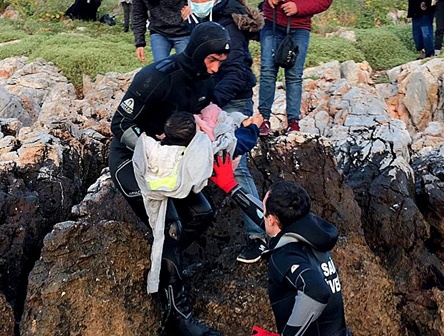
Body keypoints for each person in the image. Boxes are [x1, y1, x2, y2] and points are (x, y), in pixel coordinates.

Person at [108, 21, 230, 336]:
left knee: (202, 213)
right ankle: (180, 318)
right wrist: (152, 147)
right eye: (212, 60)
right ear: (200, 52)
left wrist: (215, 128)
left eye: (220, 62)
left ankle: (163, 265)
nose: (216, 68)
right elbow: (119, 124)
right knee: (171, 226)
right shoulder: (156, 77)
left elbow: (203, 112)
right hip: (133, 160)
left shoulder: (205, 80)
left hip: (172, 161)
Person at [210, 154, 351, 336]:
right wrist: (232, 187)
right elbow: (266, 218)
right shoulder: (312, 234)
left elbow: (317, 291)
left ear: (273, 219)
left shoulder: (285, 256)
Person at [183, 0, 269, 263]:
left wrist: (210, 104)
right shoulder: (205, 19)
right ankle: (190, 228)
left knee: (235, 165)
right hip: (212, 99)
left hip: (230, 100)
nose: (193, 2)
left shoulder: (228, 23)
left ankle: (259, 236)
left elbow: (236, 74)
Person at [258, 0, 333, 136]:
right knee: (267, 72)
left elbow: (324, 1)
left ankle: (293, 122)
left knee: (294, 76)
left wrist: (299, 7)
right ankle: (263, 119)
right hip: (271, 22)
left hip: (299, 27)